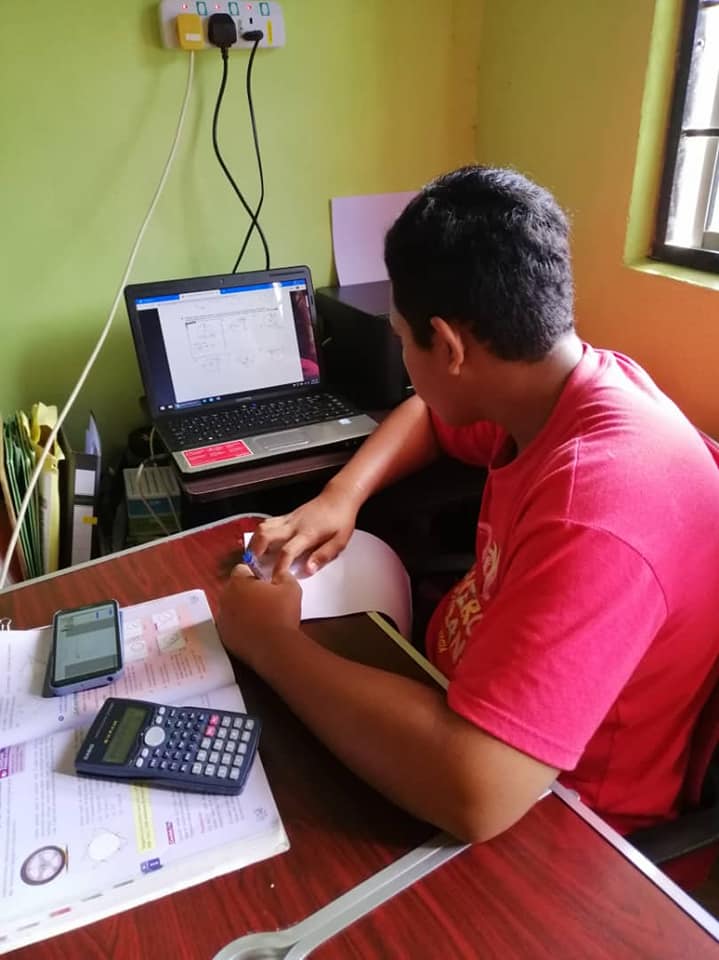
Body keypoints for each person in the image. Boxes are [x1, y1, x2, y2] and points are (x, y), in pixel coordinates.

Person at [217, 165, 719, 841]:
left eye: (402, 339)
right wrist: (341, 496)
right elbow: (431, 414)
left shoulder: (598, 509)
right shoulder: (562, 389)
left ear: (450, 346)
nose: (404, 357)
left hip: (559, 822)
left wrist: (269, 643)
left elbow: (477, 792)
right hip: (458, 704)